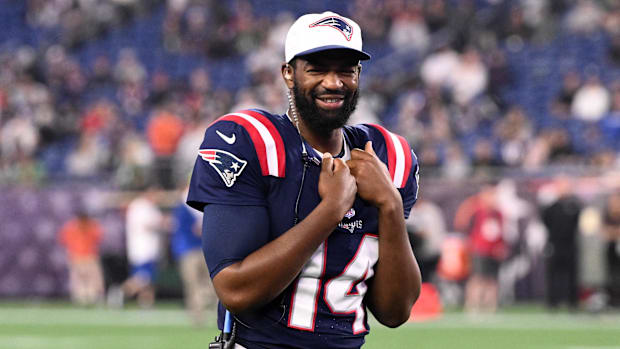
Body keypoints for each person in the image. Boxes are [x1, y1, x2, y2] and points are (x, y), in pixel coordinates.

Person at [187, 11, 421, 348]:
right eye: (317, 69)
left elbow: (395, 312)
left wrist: (391, 206)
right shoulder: (252, 141)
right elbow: (235, 289)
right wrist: (331, 209)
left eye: (346, 70)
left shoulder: (387, 156)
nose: (333, 82)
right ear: (288, 74)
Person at [454, 181, 506, 314]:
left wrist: (500, 246)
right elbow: (462, 223)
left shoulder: (498, 213)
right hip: (479, 249)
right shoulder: (476, 209)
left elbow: (500, 232)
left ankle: (490, 307)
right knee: (477, 278)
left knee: (492, 280)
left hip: (493, 251)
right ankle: (473, 305)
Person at [171, 187, 217, 326]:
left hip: (200, 249)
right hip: (190, 250)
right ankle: (198, 316)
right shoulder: (183, 207)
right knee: (195, 284)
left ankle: (206, 312)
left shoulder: (198, 205)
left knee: (206, 284)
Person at [540, 175, 582, 310]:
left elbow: (579, 224)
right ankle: (553, 302)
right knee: (553, 275)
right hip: (555, 245)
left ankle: (572, 303)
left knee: (572, 275)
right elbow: (545, 222)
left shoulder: (575, 206)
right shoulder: (551, 207)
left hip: (570, 244)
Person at [121, 185, 165, 308]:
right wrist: (163, 223)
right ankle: (120, 292)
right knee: (142, 279)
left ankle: (146, 304)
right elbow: (145, 225)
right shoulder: (140, 206)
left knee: (150, 281)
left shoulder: (151, 207)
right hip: (142, 250)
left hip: (152, 250)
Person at [58, 209, 104, 306]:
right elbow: (63, 240)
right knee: (78, 281)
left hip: (89, 257)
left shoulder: (92, 226)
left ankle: (92, 299)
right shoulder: (71, 227)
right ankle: (81, 300)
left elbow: (99, 238)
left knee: (93, 280)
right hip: (77, 257)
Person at [602, 191, 620, 307]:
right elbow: (604, 231)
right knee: (611, 274)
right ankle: (613, 300)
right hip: (611, 247)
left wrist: (613, 232)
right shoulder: (607, 214)